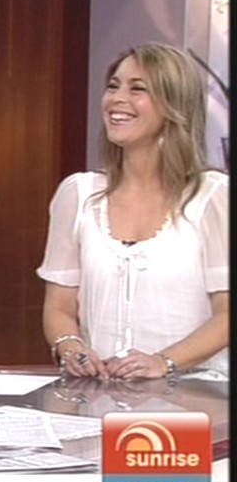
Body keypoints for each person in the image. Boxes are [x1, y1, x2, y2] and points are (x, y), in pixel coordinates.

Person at [37, 42, 229, 381]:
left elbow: (227, 313)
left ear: (174, 105)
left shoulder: (213, 196)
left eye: (137, 89)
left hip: (196, 396)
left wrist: (164, 362)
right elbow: (59, 306)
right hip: (102, 394)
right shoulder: (78, 195)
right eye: (114, 86)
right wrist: (70, 346)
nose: (117, 99)